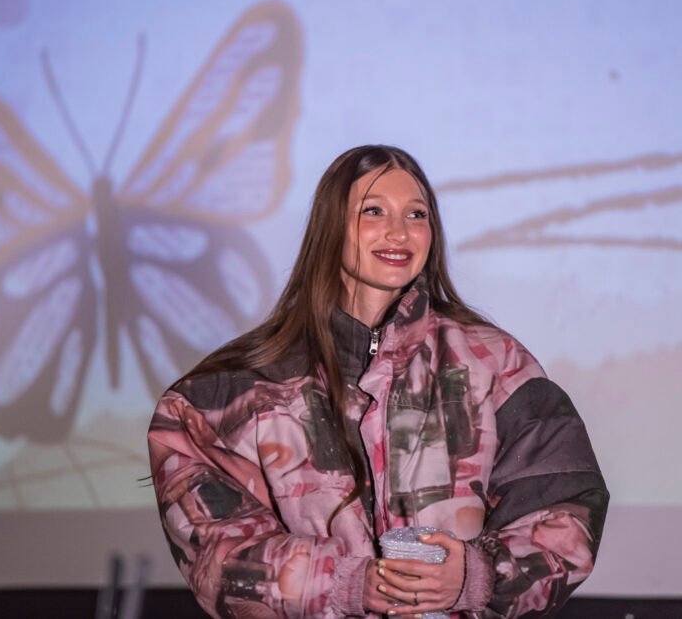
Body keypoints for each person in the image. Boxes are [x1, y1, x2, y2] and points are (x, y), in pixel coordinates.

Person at [147, 145, 608, 618]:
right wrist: (346, 583)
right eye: (373, 211)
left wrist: (477, 575)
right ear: (330, 227)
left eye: (417, 214)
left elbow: (566, 512)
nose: (398, 232)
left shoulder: (496, 363)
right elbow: (216, 553)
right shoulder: (228, 394)